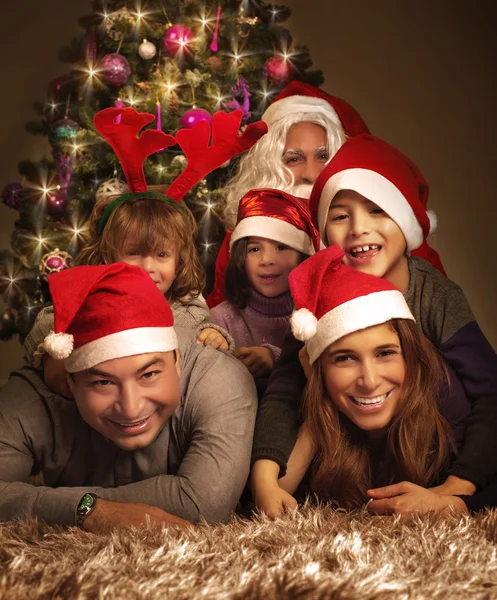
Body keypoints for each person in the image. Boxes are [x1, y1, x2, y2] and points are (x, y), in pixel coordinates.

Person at [251, 134, 497, 514]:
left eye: (378, 210)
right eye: (340, 216)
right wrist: (266, 480)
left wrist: (456, 488)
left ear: (406, 222)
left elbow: (490, 392)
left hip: (432, 443)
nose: (358, 228)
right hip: (350, 447)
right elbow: (282, 397)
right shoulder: (315, 298)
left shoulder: (435, 296)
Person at [24, 105, 269, 396]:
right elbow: (49, 319)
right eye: (134, 253)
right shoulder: (91, 294)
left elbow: (203, 327)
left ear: (179, 261)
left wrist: (215, 336)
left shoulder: (184, 307)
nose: (147, 267)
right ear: (109, 254)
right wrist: (58, 343)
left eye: (161, 255)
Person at [0, 262, 258, 530]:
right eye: (103, 382)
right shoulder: (33, 393)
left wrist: (51, 504)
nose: (131, 409)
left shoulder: (219, 378)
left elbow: (204, 505)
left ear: (177, 362)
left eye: (148, 375)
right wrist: (90, 510)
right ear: (70, 383)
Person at [252, 246, 493, 517]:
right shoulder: (321, 402)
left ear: (411, 357)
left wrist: (455, 503)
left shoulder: (446, 397)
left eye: (385, 353)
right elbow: (278, 492)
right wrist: (318, 403)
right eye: (344, 359)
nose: (369, 381)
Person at [206, 81, 370, 308]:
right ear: (269, 166)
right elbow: (220, 313)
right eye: (294, 159)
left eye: (323, 156)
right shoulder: (244, 233)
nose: (312, 175)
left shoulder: (373, 232)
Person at [210, 188, 320, 391]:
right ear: (240, 259)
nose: (267, 260)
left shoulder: (317, 316)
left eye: (281, 247)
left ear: (302, 257)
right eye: (254, 249)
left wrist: (274, 358)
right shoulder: (221, 319)